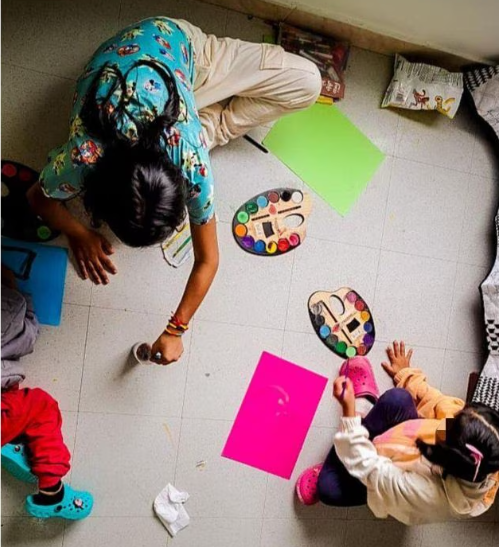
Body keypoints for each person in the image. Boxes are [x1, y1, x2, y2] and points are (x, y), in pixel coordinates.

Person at [27, 17, 321, 365]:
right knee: (278, 94)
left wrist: (176, 329)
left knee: (309, 82)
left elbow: (208, 260)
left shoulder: (189, 157)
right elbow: (36, 197)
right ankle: (208, 121)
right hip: (158, 65)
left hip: (185, 59)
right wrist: (78, 233)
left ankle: (212, 124)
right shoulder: (86, 154)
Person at [296, 341, 499, 525]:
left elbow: (367, 465)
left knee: (328, 488)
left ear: (448, 455)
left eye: (450, 424)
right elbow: (438, 401)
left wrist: (349, 411)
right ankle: (357, 434)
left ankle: (340, 459)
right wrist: (407, 374)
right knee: (398, 399)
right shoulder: (480, 443)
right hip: (400, 442)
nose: (451, 415)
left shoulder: (422, 493)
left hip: (386, 478)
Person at [0, 267, 93, 520]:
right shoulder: (11, 310)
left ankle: (16, 438)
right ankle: (52, 492)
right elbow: (29, 332)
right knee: (41, 405)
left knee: (17, 398)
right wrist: (20, 295)